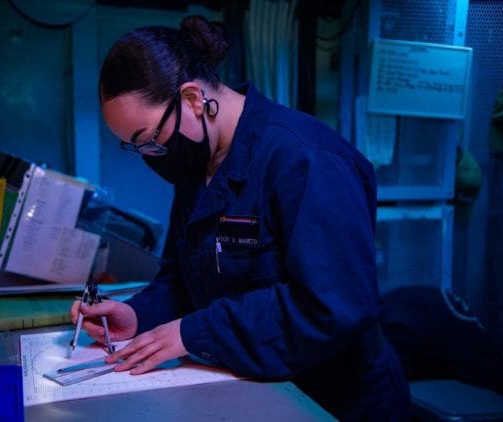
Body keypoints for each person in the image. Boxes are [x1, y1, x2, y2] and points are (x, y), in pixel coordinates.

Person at [71, 14, 410, 420]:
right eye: (134, 147)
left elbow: (331, 308)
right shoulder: (198, 165)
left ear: (194, 99)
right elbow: (183, 276)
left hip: (336, 400)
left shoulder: (305, 159)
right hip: (256, 388)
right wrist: (138, 314)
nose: (149, 156)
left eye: (149, 141)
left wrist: (194, 332)